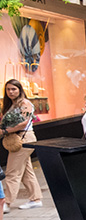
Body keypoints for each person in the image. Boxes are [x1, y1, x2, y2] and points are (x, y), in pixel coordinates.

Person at [0, 79, 43, 211]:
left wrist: (5, 130)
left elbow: (24, 122)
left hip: (24, 138)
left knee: (12, 171)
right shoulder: (10, 105)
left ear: (20, 90)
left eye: (14, 89)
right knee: (26, 172)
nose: (11, 92)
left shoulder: (25, 103)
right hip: (16, 139)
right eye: (8, 89)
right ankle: (35, 199)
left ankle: (6, 203)